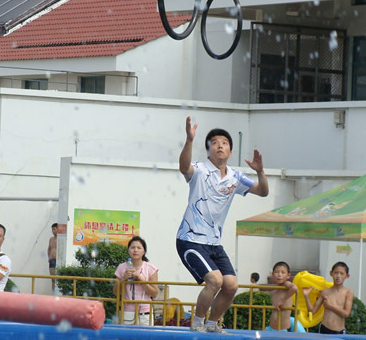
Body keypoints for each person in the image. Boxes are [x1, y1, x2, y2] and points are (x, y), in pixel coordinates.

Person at [177, 117, 269, 333]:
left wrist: (260, 171)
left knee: (231, 285)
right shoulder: (200, 170)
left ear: (230, 152)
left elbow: (263, 192)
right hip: (190, 239)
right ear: (208, 150)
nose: (220, 145)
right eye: (215, 142)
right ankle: (197, 323)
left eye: (225, 143)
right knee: (215, 280)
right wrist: (189, 140)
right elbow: (183, 167)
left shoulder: (235, 177)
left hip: (214, 244)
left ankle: (212, 324)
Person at [113, 236, 159, 325]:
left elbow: (154, 293)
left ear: (144, 251)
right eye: (132, 247)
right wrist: (123, 278)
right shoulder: (121, 267)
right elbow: (116, 292)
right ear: (128, 250)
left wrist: (140, 278)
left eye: (139, 248)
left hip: (145, 313)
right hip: (127, 311)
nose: (135, 250)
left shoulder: (150, 269)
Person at [303, 261, 353, 334]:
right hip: (324, 328)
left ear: (347, 276)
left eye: (341, 273)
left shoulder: (348, 293)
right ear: (331, 273)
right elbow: (312, 311)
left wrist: (330, 306)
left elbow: (346, 314)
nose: (338, 276)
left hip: (339, 330)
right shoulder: (325, 292)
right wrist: (306, 296)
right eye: (336, 273)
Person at [265, 261, 297, 331]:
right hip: (271, 328)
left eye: (283, 272)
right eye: (276, 272)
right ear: (272, 274)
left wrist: (282, 301)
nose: (279, 275)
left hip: (283, 329)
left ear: (288, 275)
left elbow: (294, 288)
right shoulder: (276, 289)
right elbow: (271, 293)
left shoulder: (286, 284)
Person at [48, 222, 57, 291]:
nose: (53, 231)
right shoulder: (51, 239)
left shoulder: (61, 239)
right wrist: (49, 257)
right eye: (52, 230)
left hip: (58, 260)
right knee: (53, 279)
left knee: (58, 278)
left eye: (54, 229)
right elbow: (49, 249)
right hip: (52, 260)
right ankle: (53, 292)